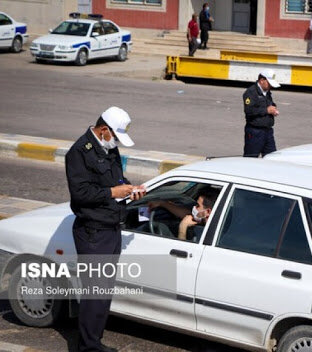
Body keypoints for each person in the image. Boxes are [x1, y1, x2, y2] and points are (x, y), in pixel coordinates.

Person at [65, 106, 146, 352]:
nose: (117, 143)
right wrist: (112, 192)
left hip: (111, 227)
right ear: (104, 130)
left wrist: (130, 189)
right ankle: (88, 346)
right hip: (93, 232)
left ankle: (94, 341)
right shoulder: (79, 152)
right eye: (116, 137)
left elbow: (116, 180)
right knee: (94, 293)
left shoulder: (109, 147)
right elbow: (80, 194)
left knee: (104, 291)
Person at [148, 187, 219, 241]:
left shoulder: (208, 234)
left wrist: (183, 227)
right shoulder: (212, 219)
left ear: (208, 212)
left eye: (198, 205)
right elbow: (185, 213)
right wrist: (162, 203)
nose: (194, 207)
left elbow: (181, 253)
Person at [242, 69, 281, 157]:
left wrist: (273, 108)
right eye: (269, 83)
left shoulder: (267, 92)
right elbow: (249, 111)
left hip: (268, 131)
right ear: (262, 80)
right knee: (250, 159)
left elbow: (268, 104)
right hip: (255, 132)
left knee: (272, 158)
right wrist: (266, 110)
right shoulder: (250, 93)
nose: (271, 86)